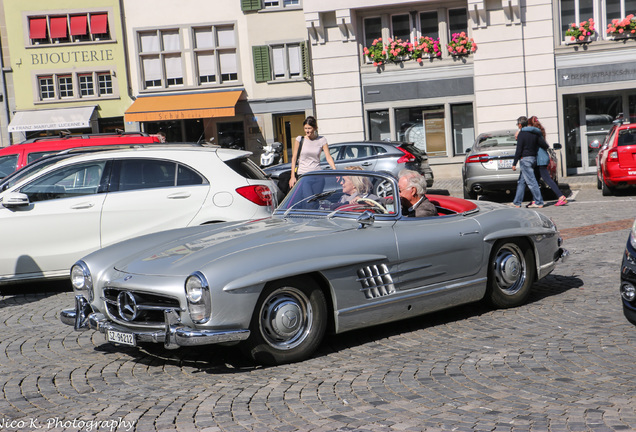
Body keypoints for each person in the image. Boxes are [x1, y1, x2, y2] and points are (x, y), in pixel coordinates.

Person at [522, 116, 568, 206]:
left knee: (547, 179)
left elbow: (544, 145)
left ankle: (561, 196)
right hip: (541, 158)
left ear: (530, 125)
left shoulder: (535, 134)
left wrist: (523, 130)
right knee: (535, 180)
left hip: (541, 159)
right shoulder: (538, 133)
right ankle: (535, 200)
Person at [289, 116, 336, 195]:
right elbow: (294, 159)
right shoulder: (299, 139)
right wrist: (292, 176)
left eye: (309, 128)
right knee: (308, 200)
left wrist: (335, 171)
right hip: (304, 175)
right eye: (305, 128)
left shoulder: (322, 140)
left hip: (317, 175)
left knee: (316, 201)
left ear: (315, 128)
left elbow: (328, 157)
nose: (307, 131)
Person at [511, 116, 549, 208]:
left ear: (520, 124)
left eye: (517, 124)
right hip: (533, 159)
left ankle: (539, 202)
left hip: (525, 160)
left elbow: (519, 150)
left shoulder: (521, 134)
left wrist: (514, 163)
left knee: (531, 182)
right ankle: (517, 202)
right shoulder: (534, 133)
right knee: (521, 181)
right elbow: (544, 145)